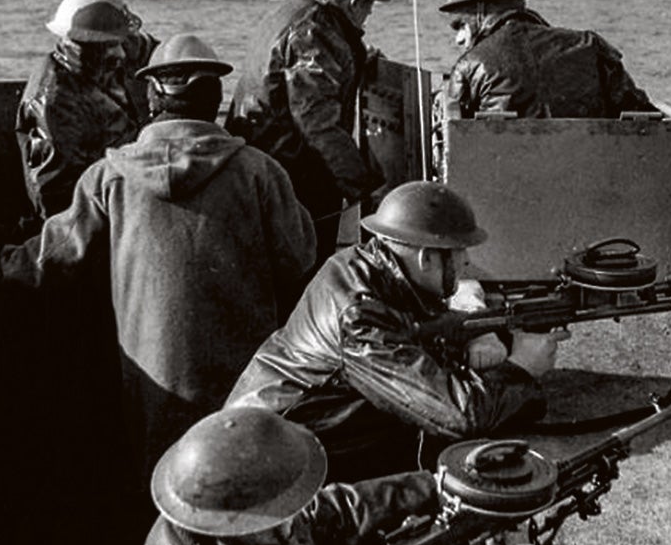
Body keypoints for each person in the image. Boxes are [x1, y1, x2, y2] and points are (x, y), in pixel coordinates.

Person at [3, 34, 316, 486]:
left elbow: (51, 260)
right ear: (215, 99)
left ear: (152, 96)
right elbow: (299, 257)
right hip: (246, 377)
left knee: (161, 481)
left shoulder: (107, 177)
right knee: (240, 479)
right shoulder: (259, 172)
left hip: (152, 378)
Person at [226, 181, 560, 482]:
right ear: (426, 258)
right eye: (459, 252)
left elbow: (416, 327)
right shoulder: (359, 319)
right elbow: (459, 415)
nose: (466, 262)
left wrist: (486, 327)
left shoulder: (360, 265)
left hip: (286, 436)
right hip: (268, 466)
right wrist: (522, 369)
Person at [226, 0, 390, 266]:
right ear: (355, 2)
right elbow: (317, 122)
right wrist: (365, 188)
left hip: (262, 165)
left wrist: (358, 61)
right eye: (369, 6)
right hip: (292, 177)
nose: (369, 15)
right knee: (305, 272)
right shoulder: (316, 30)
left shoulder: (295, 8)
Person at [136, 408, 438, 545]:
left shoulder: (260, 524)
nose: (295, 514)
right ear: (249, 521)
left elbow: (335, 510)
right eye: (286, 508)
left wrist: (433, 486)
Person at [440, 0, 656, 119]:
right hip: (594, 165)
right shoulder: (590, 45)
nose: (459, 39)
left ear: (481, 12)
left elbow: (456, 135)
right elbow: (638, 112)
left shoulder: (470, 65)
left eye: (460, 25)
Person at [15, 0, 156, 219]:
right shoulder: (55, 101)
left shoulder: (111, 52)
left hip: (135, 188)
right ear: (84, 45)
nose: (121, 54)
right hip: (97, 214)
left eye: (122, 42)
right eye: (111, 46)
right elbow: (55, 197)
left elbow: (157, 53)